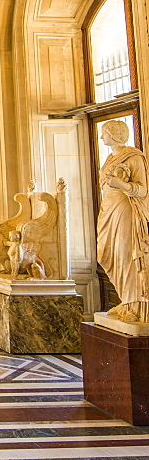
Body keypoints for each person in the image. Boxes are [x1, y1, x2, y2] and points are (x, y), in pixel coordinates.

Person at [96, 119, 149, 320]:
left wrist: (121, 184)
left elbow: (142, 190)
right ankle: (125, 301)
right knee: (108, 253)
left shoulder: (134, 158)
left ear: (114, 134)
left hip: (125, 210)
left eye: (105, 133)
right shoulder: (110, 158)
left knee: (127, 254)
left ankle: (136, 306)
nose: (102, 137)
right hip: (108, 210)